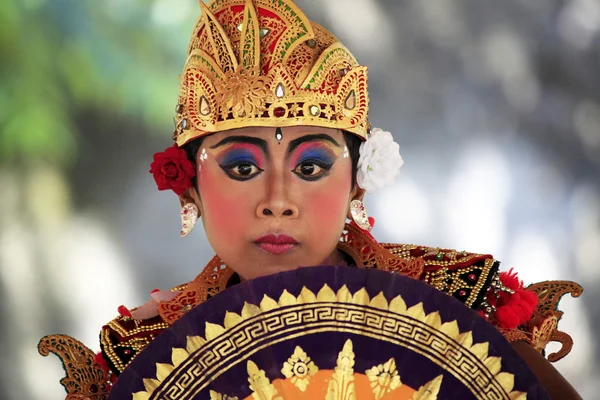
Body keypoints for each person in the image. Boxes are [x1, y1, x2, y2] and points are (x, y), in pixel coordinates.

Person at [38, 0, 583, 398]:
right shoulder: (143, 351)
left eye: (313, 166)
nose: (278, 201)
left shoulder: (462, 300)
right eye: (242, 167)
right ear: (190, 188)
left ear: (357, 185)